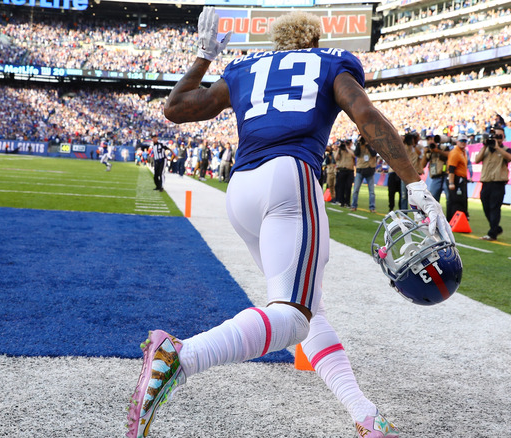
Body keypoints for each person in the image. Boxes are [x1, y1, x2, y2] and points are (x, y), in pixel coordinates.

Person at [126, 9, 451, 438]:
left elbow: (176, 108)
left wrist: (205, 55)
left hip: (241, 190)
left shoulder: (245, 68)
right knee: (293, 318)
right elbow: (366, 118)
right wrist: (415, 184)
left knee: (308, 309)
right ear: (314, 40)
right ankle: (180, 358)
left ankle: (366, 416)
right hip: (290, 180)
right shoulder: (332, 62)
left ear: (276, 43)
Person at [474, 127, 511, 241]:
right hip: (486, 182)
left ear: (504, 137)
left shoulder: (506, 149)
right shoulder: (486, 148)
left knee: (494, 208)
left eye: (500, 136)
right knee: (486, 207)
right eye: (496, 135)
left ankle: (492, 234)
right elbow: (476, 159)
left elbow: (509, 158)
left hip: (498, 183)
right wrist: (485, 145)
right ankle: (496, 228)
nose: (498, 138)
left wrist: (497, 147)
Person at [420, 134, 450, 204]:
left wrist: (438, 151)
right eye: (428, 139)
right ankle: (434, 215)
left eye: (431, 139)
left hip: (445, 176)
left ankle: (450, 215)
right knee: (433, 200)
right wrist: (425, 153)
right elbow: (422, 165)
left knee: (449, 198)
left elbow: (450, 155)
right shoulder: (428, 150)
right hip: (435, 177)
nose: (430, 141)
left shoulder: (443, 147)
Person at [350, 136, 377, 212]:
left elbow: (374, 153)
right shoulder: (359, 145)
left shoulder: (372, 145)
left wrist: (368, 144)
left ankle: (372, 207)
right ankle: (354, 206)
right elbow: (356, 154)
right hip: (360, 170)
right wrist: (359, 143)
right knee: (355, 190)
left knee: (371, 191)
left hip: (370, 169)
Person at [446, 136, 469, 221]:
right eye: (461, 141)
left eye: (465, 141)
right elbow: (451, 168)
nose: (463, 142)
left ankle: (457, 219)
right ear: (457, 142)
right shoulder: (455, 153)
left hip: (461, 178)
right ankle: (453, 219)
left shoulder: (462, 152)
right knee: (456, 200)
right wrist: (451, 183)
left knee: (460, 200)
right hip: (456, 179)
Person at [334, 140, 355, 207]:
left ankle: (347, 202)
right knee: (341, 187)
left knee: (348, 186)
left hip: (350, 170)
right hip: (342, 170)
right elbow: (336, 158)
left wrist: (347, 148)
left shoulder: (351, 150)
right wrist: (339, 148)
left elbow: (353, 155)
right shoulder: (340, 151)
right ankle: (341, 202)